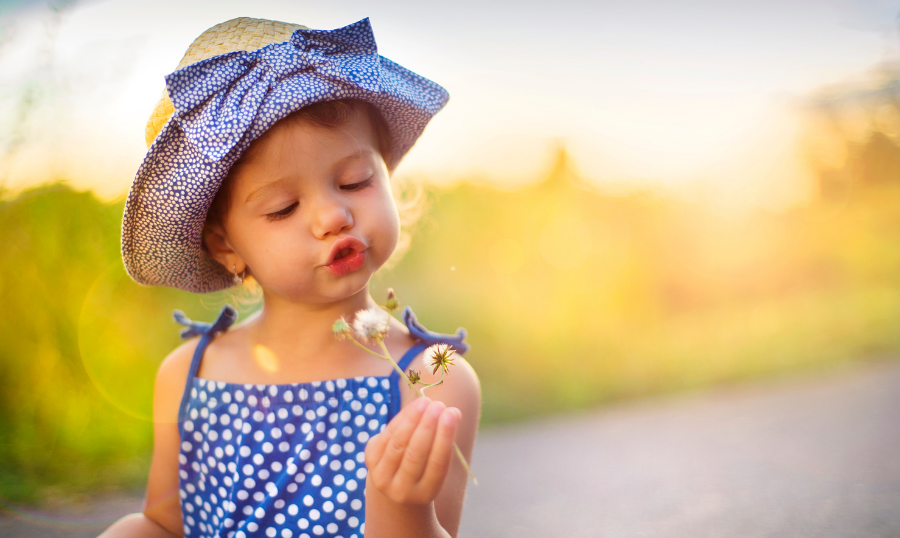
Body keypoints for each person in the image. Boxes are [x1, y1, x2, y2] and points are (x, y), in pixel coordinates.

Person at [99, 16, 480, 538]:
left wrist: (402, 509)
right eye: (283, 208)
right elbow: (163, 524)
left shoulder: (432, 378)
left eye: (356, 180)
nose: (332, 217)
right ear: (226, 245)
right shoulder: (189, 372)